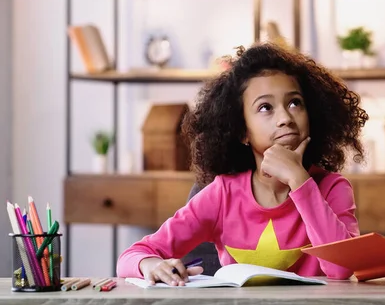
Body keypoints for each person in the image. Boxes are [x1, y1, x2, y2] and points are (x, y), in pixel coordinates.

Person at [116, 43, 369, 286]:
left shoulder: (333, 188)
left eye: (294, 103)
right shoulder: (222, 194)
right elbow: (131, 256)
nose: (285, 118)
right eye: (265, 107)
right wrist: (149, 264)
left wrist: (299, 181)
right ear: (242, 132)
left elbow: (342, 269)